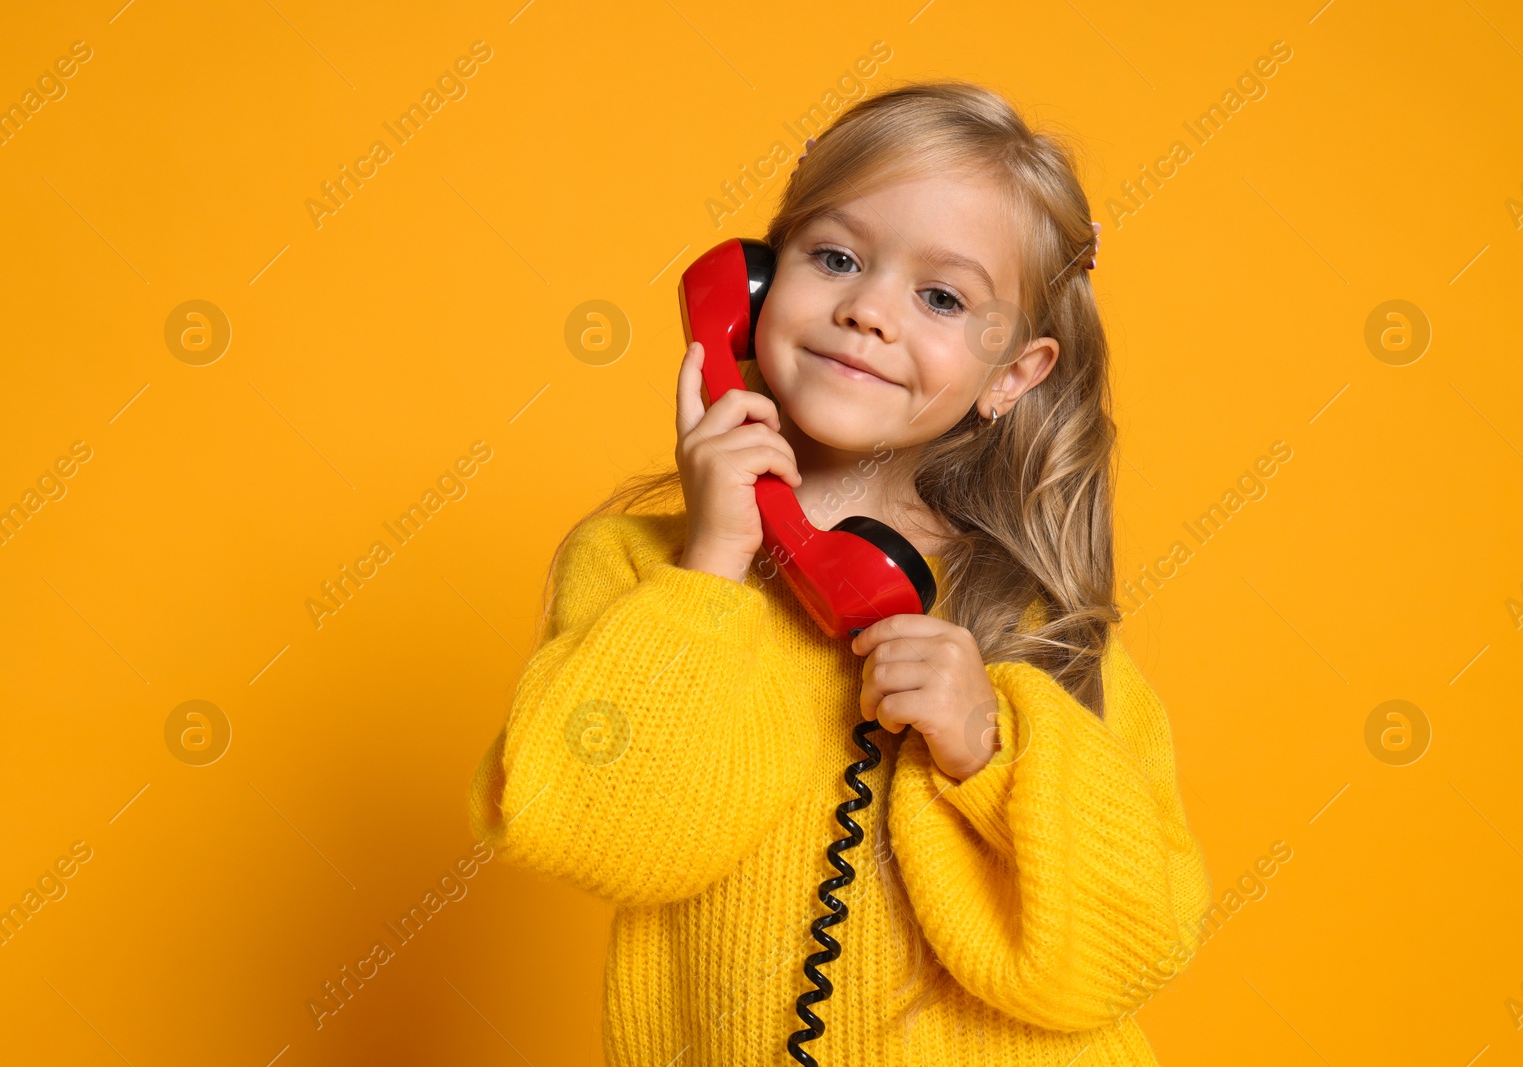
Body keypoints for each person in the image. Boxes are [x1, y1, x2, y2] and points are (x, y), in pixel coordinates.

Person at [467, 78, 1211, 1065]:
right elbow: (594, 832)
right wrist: (715, 567)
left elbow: (1127, 947)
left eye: (940, 296)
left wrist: (989, 753)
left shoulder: (1041, 626)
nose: (866, 309)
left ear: (1012, 376)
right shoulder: (641, 575)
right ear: (753, 288)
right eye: (835, 257)